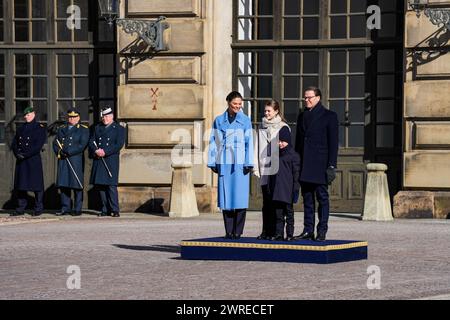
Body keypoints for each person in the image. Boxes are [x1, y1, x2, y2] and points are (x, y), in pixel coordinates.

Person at [294, 87, 339, 241]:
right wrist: (296, 163)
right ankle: (308, 230)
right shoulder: (302, 116)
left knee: (322, 199)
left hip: (320, 165)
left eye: (310, 97)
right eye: (305, 98)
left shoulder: (329, 116)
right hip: (305, 164)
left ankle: (322, 230)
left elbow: (333, 144)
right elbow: (298, 143)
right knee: (307, 200)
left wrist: (332, 165)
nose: (307, 100)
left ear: (318, 98)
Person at [208, 91, 253, 239]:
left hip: (240, 164)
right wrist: (212, 161)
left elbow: (249, 143)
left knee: (239, 197)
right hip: (224, 161)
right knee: (226, 198)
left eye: (240, 104)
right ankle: (229, 231)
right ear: (228, 102)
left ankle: (238, 231)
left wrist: (249, 162)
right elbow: (214, 141)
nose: (238, 106)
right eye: (235, 104)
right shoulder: (219, 120)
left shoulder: (246, 120)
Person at [253, 100, 289, 240]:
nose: (266, 113)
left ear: (276, 111)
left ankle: (277, 232)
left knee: (277, 201)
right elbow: (256, 148)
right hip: (265, 168)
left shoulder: (283, 127)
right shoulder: (261, 127)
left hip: (278, 170)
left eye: (269, 111)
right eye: (265, 111)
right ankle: (266, 231)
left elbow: (286, 150)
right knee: (266, 202)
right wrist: (256, 167)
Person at [89, 106, 125, 217]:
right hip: (99, 159)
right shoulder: (97, 128)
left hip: (110, 160)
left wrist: (105, 151)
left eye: (107, 116)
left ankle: (115, 209)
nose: (105, 118)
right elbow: (91, 141)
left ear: (112, 116)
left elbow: (118, 145)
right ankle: (105, 209)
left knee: (111, 186)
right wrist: (96, 150)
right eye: (103, 116)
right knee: (101, 186)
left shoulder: (119, 129)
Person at [10, 106, 47, 216]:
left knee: (37, 185)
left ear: (34, 114)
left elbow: (38, 145)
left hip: (32, 159)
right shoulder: (21, 128)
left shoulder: (39, 128)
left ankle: (38, 208)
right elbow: (14, 143)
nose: (26, 117)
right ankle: (21, 208)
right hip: (21, 160)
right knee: (21, 185)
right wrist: (17, 153)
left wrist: (25, 154)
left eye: (28, 115)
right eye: (25, 115)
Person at [52, 108, 89, 216]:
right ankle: (65, 207)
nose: (72, 119)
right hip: (63, 160)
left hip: (75, 160)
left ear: (78, 118)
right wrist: (59, 152)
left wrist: (68, 151)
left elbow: (82, 145)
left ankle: (78, 208)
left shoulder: (83, 129)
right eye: (70, 117)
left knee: (77, 185)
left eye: (74, 117)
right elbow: (55, 142)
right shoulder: (62, 128)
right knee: (64, 184)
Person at [267, 126, 300, 241]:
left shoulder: (294, 156)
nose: (281, 144)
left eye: (283, 141)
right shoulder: (275, 155)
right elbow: (271, 174)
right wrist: (269, 188)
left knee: (289, 214)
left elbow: (296, 176)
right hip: (277, 190)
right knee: (278, 215)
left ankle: (289, 234)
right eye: (279, 141)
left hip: (288, 191)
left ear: (288, 141)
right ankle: (279, 234)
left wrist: (295, 190)